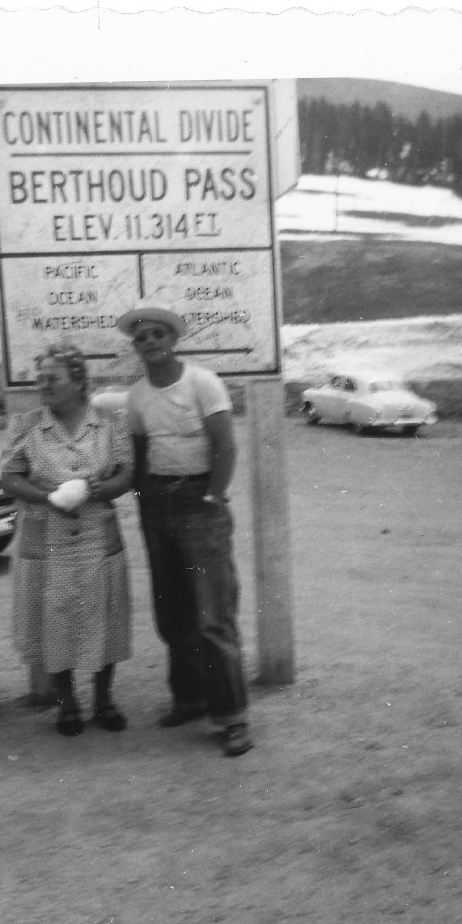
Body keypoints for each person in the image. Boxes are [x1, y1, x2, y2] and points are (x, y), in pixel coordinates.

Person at [119, 306, 255, 757]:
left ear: (173, 340)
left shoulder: (202, 382)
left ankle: (233, 717)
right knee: (173, 612)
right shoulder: (136, 396)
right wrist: (143, 499)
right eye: (142, 338)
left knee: (213, 615)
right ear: (135, 347)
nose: (151, 342)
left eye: (158, 334)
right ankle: (189, 699)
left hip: (200, 505)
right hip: (157, 506)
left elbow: (226, 444)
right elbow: (139, 453)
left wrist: (214, 496)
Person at [0, 343, 134, 735]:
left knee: (103, 617)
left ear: (79, 382)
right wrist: (47, 498)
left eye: (52, 378)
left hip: (96, 535)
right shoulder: (27, 426)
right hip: (47, 537)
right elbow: (9, 478)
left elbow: (126, 476)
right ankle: (68, 703)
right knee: (53, 620)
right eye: (40, 378)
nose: (44, 385)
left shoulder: (110, 424)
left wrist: (97, 487)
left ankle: (104, 699)